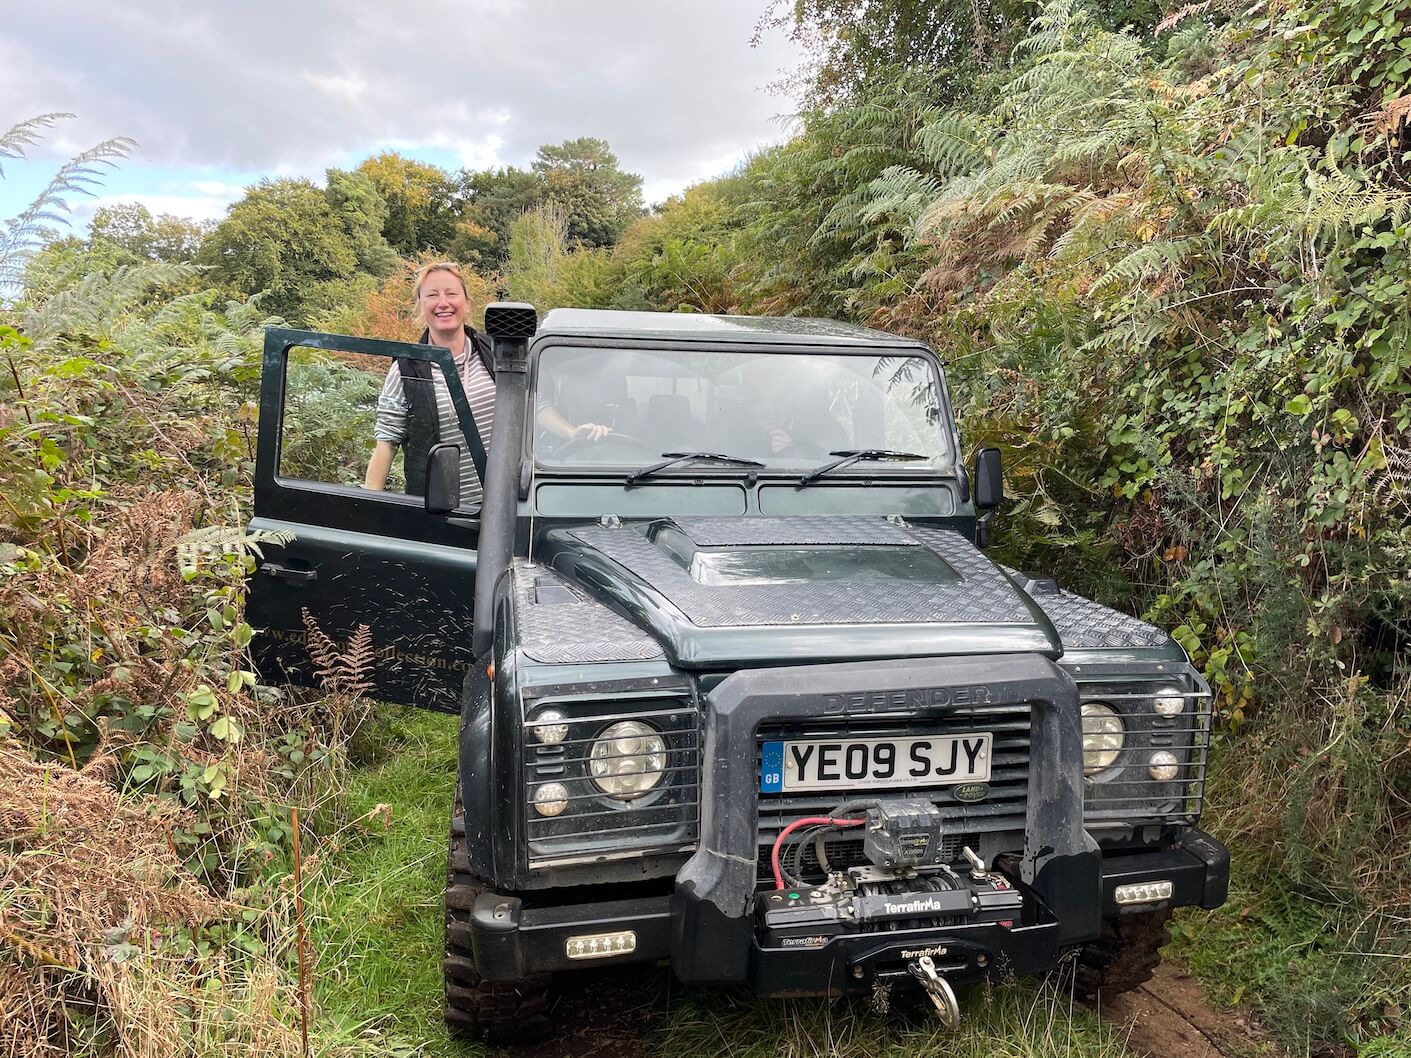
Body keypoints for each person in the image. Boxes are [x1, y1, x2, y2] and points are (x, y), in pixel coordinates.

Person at [363, 262, 609, 504]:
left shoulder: (495, 352)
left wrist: (571, 432)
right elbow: (387, 441)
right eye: (432, 295)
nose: (443, 303)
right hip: (442, 513)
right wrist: (368, 507)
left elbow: (533, 405)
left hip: (506, 504)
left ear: (467, 304)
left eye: (451, 294)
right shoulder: (407, 370)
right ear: (421, 305)